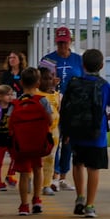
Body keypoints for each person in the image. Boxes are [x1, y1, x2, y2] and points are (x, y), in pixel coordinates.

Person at [62, 49, 110, 218]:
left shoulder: (73, 83)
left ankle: (79, 196)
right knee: (93, 169)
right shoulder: (105, 86)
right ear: (102, 66)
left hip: (76, 132)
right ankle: (90, 205)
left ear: (82, 65)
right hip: (97, 134)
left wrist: (67, 131)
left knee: (78, 164)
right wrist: (106, 118)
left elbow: (66, 108)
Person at [42, 26, 82, 193]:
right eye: (59, 43)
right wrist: (52, 83)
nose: (62, 46)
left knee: (68, 141)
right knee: (54, 140)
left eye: (65, 43)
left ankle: (64, 175)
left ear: (70, 41)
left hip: (72, 105)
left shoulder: (78, 60)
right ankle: (54, 175)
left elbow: (84, 79)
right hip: (54, 104)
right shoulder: (48, 60)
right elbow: (41, 82)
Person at [10, 68, 52, 215]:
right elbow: (50, 120)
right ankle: (37, 200)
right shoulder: (42, 101)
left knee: (24, 174)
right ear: (38, 83)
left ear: (21, 82)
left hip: (21, 144)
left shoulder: (15, 103)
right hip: (37, 143)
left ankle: (23, 205)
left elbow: (9, 123)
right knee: (37, 170)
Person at [38, 67, 61, 196]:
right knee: (36, 159)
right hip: (38, 132)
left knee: (50, 159)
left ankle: (46, 184)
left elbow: (59, 111)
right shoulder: (35, 95)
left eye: (50, 78)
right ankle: (33, 179)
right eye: (44, 79)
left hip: (53, 133)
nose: (48, 81)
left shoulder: (56, 95)